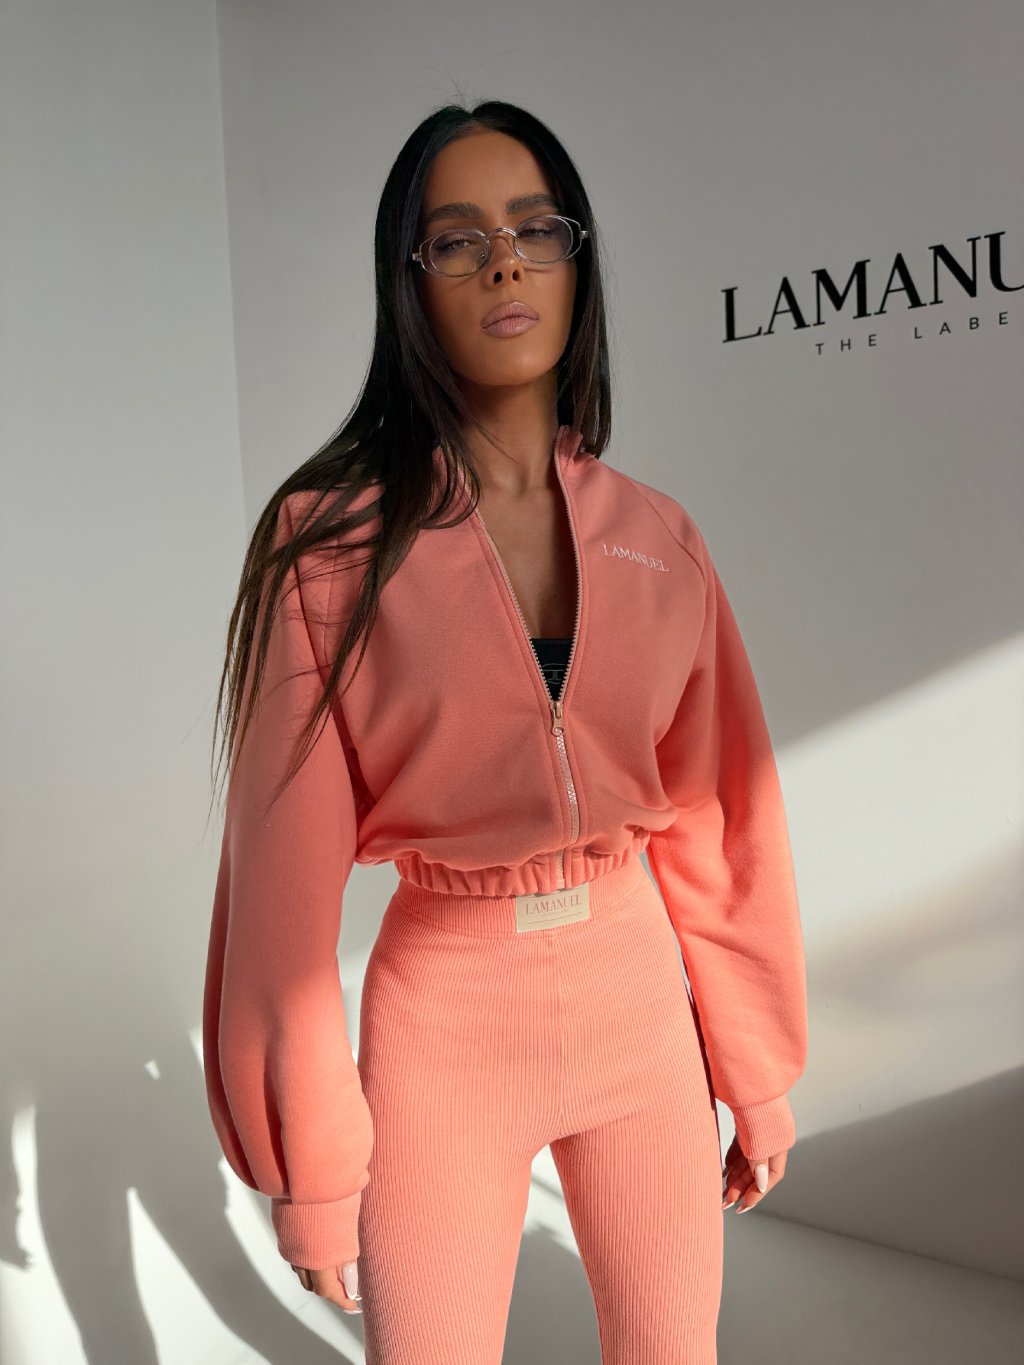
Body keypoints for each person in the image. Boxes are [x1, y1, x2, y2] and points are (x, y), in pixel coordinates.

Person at [202, 99, 808, 1365]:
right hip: (443, 1026)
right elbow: (280, 887)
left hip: (637, 1012)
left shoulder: (660, 535)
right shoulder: (329, 543)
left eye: (537, 229)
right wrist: (311, 1162)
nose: (505, 264)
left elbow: (720, 818)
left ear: (578, 261)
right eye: (457, 238)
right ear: (409, 281)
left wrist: (753, 1065)